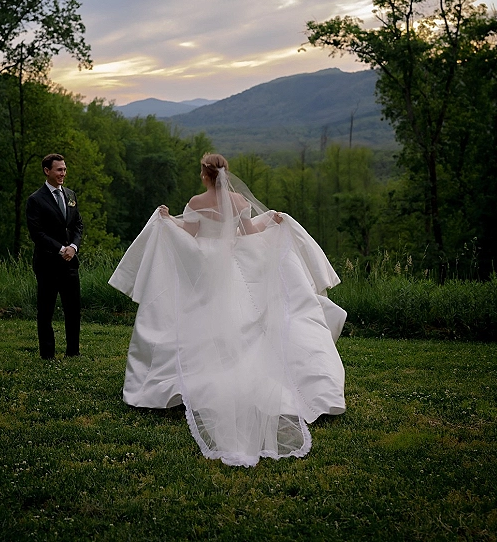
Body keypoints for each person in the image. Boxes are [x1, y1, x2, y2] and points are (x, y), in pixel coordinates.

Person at [109, 153, 346, 467]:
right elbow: (247, 234)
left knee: (198, 320)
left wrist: (168, 222)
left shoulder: (196, 201)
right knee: (247, 320)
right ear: (225, 173)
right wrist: (271, 222)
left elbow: (190, 235)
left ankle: (191, 382)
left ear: (205, 174)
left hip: (207, 270)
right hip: (236, 267)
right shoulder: (237, 201)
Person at [26, 153, 83, 359]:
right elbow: (37, 233)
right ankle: (47, 354)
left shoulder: (70, 195)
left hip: (70, 262)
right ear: (47, 171)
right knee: (46, 310)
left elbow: (77, 225)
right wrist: (61, 249)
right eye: (59, 170)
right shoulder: (35, 200)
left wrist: (74, 247)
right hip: (47, 263)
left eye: (65, 169)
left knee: (73, 309)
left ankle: (73, 352)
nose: (63, 173)